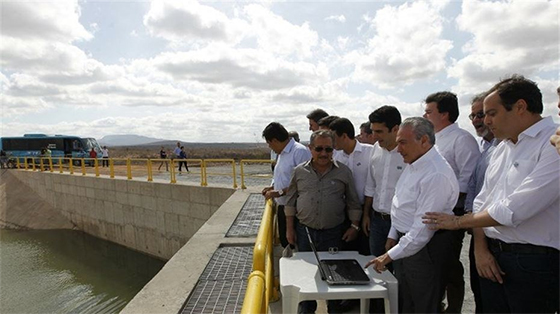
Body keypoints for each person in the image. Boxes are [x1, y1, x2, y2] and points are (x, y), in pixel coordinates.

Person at [423, 75, 559, 314]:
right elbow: (481, 201)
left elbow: (515, 209)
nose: (485, 121)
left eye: (492, 113)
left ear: (519, 107)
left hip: (534, 263)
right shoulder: (501, 148)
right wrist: (480, 249)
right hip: (492, 257)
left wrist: (457, 222)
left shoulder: (553, 144)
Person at [365, 117, 458, 313]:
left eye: (403, 143)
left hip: (423, 248)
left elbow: (422, 230)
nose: (398, 149)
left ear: (424, 140)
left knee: (422, 303)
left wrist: (388, 256)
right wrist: (393, 233)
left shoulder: (435, 174)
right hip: (406, 242)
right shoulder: (415, 162)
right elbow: (401, 202)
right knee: (405, 300)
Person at [285, 129, 362, 313]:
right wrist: (289, 229)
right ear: (310, 148)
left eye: (328, 149)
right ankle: (306, 309)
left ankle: (333, 309)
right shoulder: (299, 172)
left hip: (333, 234)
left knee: (334, 278)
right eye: (319, 149)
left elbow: (353, 201)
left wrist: (354, 226)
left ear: (333, 150)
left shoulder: (344, 172)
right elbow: (290, 201)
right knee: (305, 278)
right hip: (305, 233)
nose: (323, 154)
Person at [424, 91, 480, 313]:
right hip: (431, 212)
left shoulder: (462, 139)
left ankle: (453, 309)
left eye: (429, 111)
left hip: (451, 213)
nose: (425, 115)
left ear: (445, 114)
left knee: (447, 266)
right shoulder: (434, 139)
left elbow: (469, 181)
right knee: (433, 265)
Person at [464, 93, 499, 313]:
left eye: (484, 114)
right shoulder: (485, 147)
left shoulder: (501, 147)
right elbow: (475, 189)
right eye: (474, 115)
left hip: (495, 236)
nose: (479, 120)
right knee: (482, 295)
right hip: (479, 232)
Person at [362, 106, 405, 260]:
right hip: (377, 222)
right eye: (373, 131)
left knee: (399, 272)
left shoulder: (408, 154)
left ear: (395, 129)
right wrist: (366, 215)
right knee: (376, 269)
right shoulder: (375, 149)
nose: (374, 136)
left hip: (401, 225)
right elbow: (371, 186)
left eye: (379, 132)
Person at [329, 117, 375, 255]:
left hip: (367, 210)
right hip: (345, 213)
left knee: (366, 252)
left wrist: (365, 214)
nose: (331, 142)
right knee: (346, 250)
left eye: (333, 137)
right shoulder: (336, 157)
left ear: (344, 136)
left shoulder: (371, 152)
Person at [261, 122, 311, 248]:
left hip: (296, 210)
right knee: (286, 242)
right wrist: (273, 187)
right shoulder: (282, 153)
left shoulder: (299, 152)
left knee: (296, 245)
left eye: (269, 143)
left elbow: (304, 183)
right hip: (283, 206)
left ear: (275, 140)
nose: (269, 147)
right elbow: (284, 177)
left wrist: (278, 192)